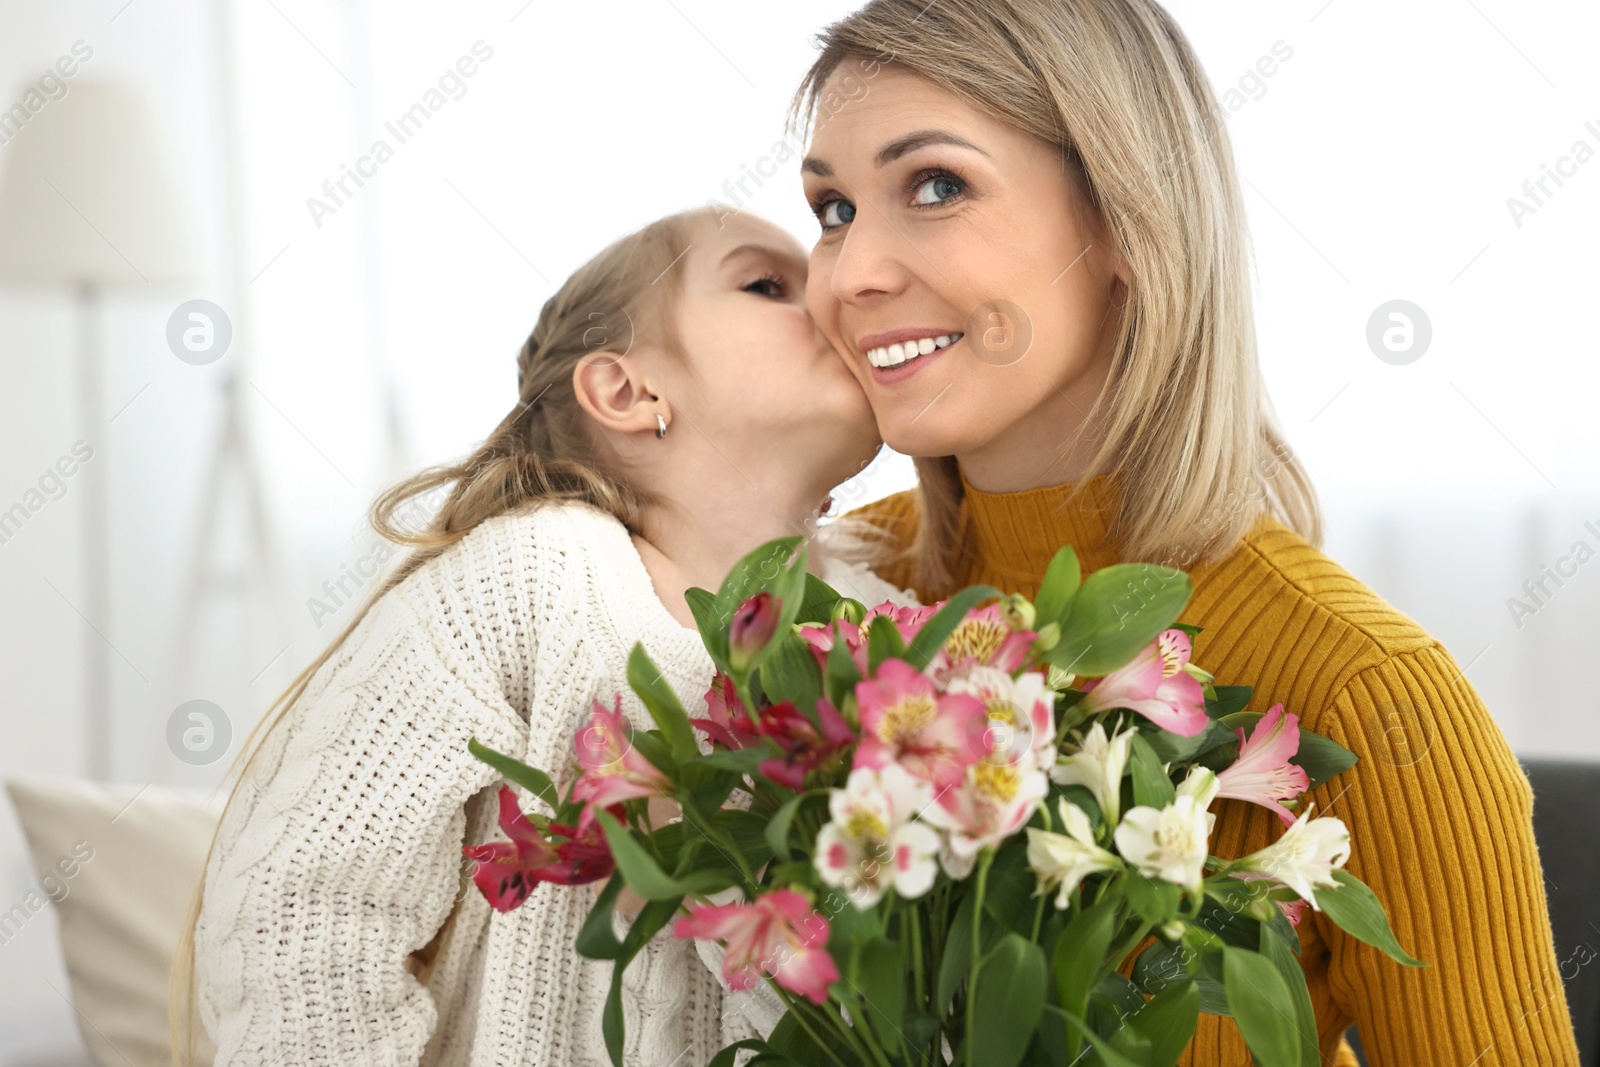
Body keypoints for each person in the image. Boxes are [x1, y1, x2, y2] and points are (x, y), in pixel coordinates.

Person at [792, 1, 1582, 1063]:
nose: (848, 275)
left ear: (1123, 220)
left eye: (935, 186)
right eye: (833, 208)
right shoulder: (827, 597)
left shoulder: (1371, 694)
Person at [169, 205, 912, 1066]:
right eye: (766, 285)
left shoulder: (883, 627)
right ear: (628, 390)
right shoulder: (533, 578)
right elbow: (301, 914)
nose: (828, 296)